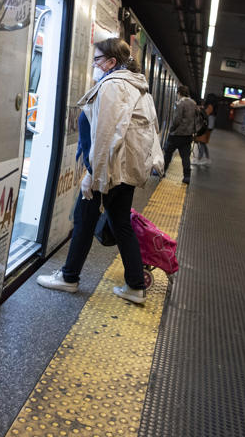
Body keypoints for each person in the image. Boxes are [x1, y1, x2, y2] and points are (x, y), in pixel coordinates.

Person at [37, 38, 161, 304]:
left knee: (84, 218)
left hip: (110, 170)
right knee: (120, 223)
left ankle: (69, 277)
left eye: (97, 59)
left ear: (111, 62)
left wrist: (93, 174)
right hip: (123, 170)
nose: (94, 64)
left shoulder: (114, 86)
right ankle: (136, 285)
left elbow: (107, 135)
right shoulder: (137, 86)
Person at [163, 85, 197, 183]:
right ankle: (187, 177)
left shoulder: (180, 103)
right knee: (185, 157)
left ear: (179, 93)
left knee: (168, 153)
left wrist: (172, 129)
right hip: (188, 135)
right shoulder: (193, 103)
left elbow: (177, 120)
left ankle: (162, 171)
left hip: (177, 135)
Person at [192, 92, 217, 166]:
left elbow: (205, 114)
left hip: (206, 128)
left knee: (202, 143)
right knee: (203, 143)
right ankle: (208, 158)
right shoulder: (212, 106)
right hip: (208, 127)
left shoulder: (210, 106)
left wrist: (199, 109)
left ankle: (199, 159)